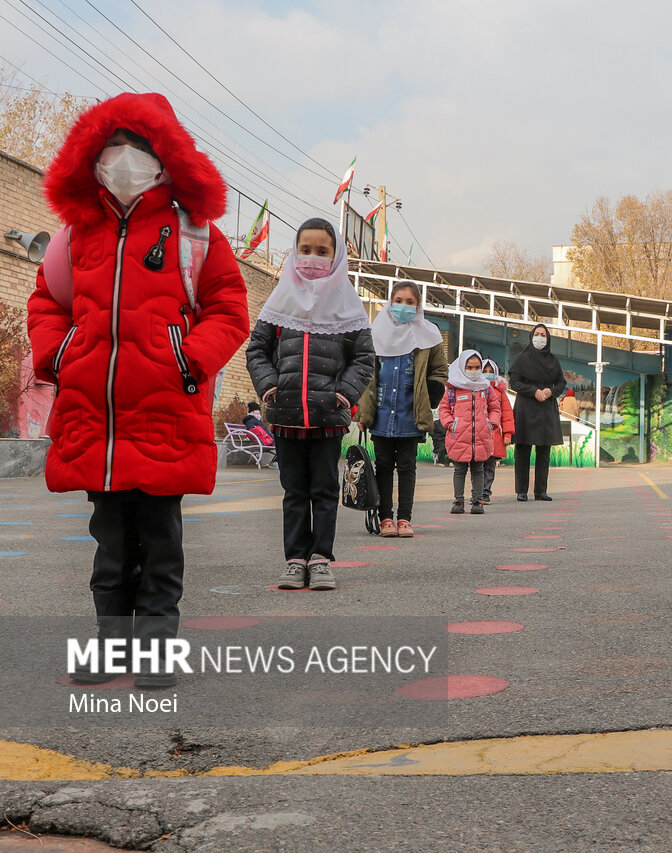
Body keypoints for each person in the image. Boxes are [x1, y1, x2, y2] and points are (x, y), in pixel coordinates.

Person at [27, 92, 249, 688]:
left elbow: (229, 307)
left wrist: (187, 359)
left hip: (163, 412)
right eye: (112, 148)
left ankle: (155, 649)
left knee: (160, 540)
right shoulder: (74, 237)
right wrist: (60, 353)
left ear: (165, 159)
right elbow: (46, 302)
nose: (123, 160)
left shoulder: (193, 233)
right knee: (109, 544)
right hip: (95, 421)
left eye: (140, 148)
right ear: (91, 157)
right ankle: (111, 645)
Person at [246, 218, 375, 592]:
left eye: (323, 251)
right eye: (306, 249)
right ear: (294, 250)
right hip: (285, 416)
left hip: (327, 419)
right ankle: (294, 559)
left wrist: (343, 394)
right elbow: (257, 349)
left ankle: (320, 559)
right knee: (294, 492)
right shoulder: (279, 299)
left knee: (323, 490)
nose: (313, 258)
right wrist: (270, 387)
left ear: (336, 257)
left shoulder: (347, 303)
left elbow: (364, 357)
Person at [356, 281, 448, 537]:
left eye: (410, 302)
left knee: (407, 466)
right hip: (382, 413)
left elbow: (440, 370)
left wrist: (430, 396)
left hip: (411, 414)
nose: (403, 306)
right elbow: (365, 374)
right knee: (383, 466)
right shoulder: (376, 333)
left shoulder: (428, 335)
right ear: (390, 302)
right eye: (398, 300)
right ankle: (386, 518)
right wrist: (363, 414)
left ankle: (404, 519)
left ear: (418, 306)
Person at [439, 349, 502, 514]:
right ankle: (458, 501)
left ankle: (477, 501)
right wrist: (450, 424)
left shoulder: (486, 388)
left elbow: (495, 408)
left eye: (477, 367)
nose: (474, 371)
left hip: (481, 436)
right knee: (459, 469)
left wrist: (491, 423)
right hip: (459, 436)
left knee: (478, 469)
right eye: (470, 367)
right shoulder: (453, 388)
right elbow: (444, 408)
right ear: (462, 366)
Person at [508, 324, 566, 501]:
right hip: (526, 409)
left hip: (546, 410)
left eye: (543, 335)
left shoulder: (553, 360)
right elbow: (514, 383)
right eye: (537, 334)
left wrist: (551, 391)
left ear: (548, 339)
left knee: (544, 451)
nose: (539, 337)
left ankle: (541, 491)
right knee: (522, 450)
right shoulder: (522, 358)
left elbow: (561, 383)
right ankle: (522, 491)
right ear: (531, 336)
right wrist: (534, 391)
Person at [480, 358, 515, 503]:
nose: (487, 374)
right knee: (477, 467)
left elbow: (507, 415)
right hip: (478, 435)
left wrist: (507, 434)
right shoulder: (474, 389)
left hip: (494, 435)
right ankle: (477, 491)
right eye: (484, 371)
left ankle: (485, 492)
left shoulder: (500, 393)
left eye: (490, 372)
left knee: (489, 465)